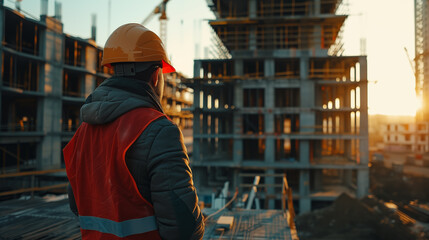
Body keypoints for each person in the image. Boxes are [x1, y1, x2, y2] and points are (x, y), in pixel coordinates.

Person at [63, 23, 204, 240]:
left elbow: (77, 205)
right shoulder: (160, 131)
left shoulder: (83, 132)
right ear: (156, 75)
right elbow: (184, 230)